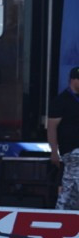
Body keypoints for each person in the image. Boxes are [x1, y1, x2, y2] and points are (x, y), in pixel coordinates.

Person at [47, 66, 79, 210]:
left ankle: (65, 212)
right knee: (70, 186)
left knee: (71, 190)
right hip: (72, 151)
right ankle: (61, 214)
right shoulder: (61, 100)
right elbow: (52, 127)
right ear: (73, 80)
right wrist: (54, 151)